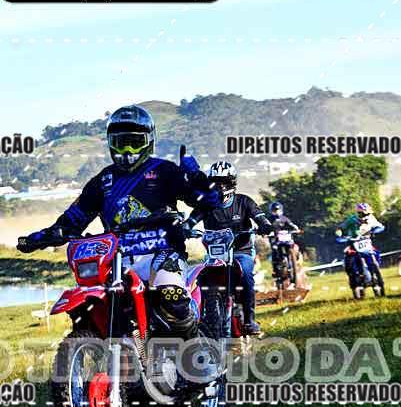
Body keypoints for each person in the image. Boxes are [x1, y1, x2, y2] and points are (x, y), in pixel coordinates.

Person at [17, 104, 219, 339]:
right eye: (121, 142)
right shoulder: (102, 181)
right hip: (116, 261)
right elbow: (73, 219)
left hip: (163, 253)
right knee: (96, 308)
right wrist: (38, 238)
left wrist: (196, 176)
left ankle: (197, 353)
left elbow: (210, 200)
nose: (127, 149)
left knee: (171, 296)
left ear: (149, 141)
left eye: (134, 142)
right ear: (111, 143)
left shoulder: (165, 171)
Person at [184, 161, 271, 335]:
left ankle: (250, 320)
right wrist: (184, 228)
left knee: (246, 276)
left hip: (241, 251)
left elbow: (260, 217)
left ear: (232, 183)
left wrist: (265, 225)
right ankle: (203, 319)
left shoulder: (244, 201)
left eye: (225, 182)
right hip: (215, 255)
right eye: (216, 182)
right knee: (201, 278)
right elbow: (191, 221)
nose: (221, 186)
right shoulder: (206, 205)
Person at [336, 203, 385, 287]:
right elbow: (340, 228)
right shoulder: (352, 220)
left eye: (368, 214)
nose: (366, 216)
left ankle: (375, 271)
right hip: (353, 243)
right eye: (363, 214)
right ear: (359, 213)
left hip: (366, 241)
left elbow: (380, 226)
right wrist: (340, 234)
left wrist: (375, 231)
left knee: (376, 253)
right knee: (349, 260)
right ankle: (353, 279)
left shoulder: (371, 218)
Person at [267, 201, 301, 277]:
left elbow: (291, 224)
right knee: (274, 250)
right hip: (275, 239)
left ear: (281, 210)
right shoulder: (269, 219)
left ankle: (295, 260)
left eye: (278, 210)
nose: (277, 212)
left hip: (285, 238)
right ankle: (275, 269)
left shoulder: (284, 218)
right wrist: (266, 232)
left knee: (294, 246)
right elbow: (265, 227)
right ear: (272, 211)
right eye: (275, 210)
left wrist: (296, 228)